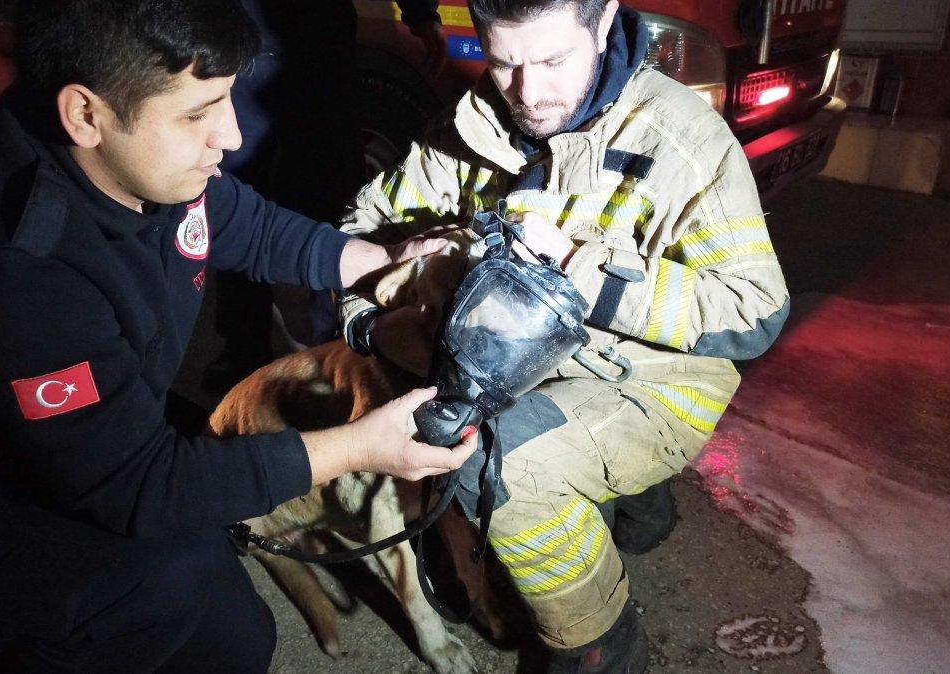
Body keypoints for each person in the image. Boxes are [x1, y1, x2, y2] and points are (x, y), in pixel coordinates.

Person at [0, 1, 477, 671]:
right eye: (198, 114)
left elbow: (245, 224)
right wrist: (360, 446)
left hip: (73, 450)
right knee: (166, 597)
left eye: (227, 99)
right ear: (84, 114)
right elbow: (137, 486)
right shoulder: (10, 265)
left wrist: (383, 261)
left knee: (235, 629)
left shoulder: (131, 157)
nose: (230, 136)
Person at [338, 0, 790, 670]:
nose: (528, 92)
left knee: (499, 467)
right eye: (505, 62)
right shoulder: (470, 124)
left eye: (553, 59)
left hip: (653, 379)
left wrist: (581, 268)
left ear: (602, 22)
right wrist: (372, 321)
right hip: (513, 363)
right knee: (420, 411)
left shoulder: (682, 139)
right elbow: (359, 228)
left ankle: (601, 641)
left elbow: (754, 311)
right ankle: (631, 500)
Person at [203, 0, 447, 392]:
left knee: (334, 204)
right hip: (243, 46)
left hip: (320, 54)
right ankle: (242, 349)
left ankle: (336, 350)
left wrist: (421, 14)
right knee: (234, 200)